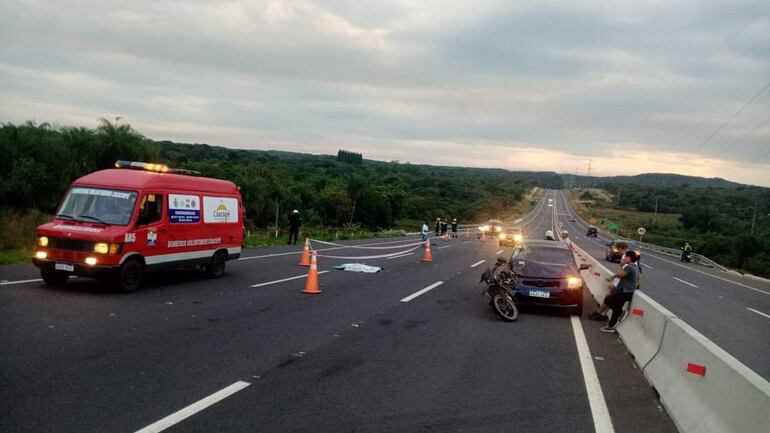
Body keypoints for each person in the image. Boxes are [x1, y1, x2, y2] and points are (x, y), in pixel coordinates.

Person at [588, 241, 629, 321]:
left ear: (620, 248)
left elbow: (622, 270)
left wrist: (612, 277)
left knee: (609, 298)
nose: (618, 252)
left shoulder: (625, 256)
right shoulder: (629, 256)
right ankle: (602, 314)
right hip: (621, 283)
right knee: (610, 299)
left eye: (618, 249)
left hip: (619, 283)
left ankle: (598, 313)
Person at [600, 251, 640, 333]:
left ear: (628, 258)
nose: (623, 258)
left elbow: (620, 275)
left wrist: (622, 265)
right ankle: (617, 317)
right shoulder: (635, 267)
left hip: (625, 292)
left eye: (625, 257)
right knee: (611, 301)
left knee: (609, 301)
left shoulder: (629, 267)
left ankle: (611, 326)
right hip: (627, 291)